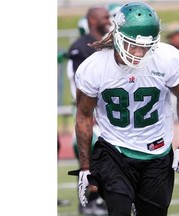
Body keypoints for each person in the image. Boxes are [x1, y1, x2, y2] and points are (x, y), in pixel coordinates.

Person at [73, 2, 179, 216]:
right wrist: (85, 168)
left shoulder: (167, 58)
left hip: (157, 152)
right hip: (114, 150)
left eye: (146, 46)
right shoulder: (94, 67)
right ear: (118, 36)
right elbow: (83, 115)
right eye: (133, 45)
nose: (139, 52)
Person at [66, 6, 111, 216]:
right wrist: (87, 112)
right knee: (89, 159)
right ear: (93, 20)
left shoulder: (106, 45)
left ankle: (101, 200)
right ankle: (88, 202)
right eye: (105, 17)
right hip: (88, 111)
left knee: (108, 159)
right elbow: (79, 83)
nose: (109, 20)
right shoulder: (81, 46)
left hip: (105, 113)